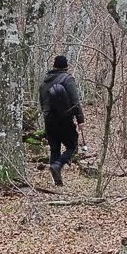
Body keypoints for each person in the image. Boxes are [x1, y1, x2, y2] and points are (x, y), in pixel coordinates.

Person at [38, 54, 84, 186]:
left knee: (54, 148)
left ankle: (56, 181)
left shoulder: (44, 82)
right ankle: (58, 165)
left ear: (53, 66)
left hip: (48, 120)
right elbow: (75, 101)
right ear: (66, 67)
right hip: (64, 119)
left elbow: (42, 103)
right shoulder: (67, 79)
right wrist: (80, 120)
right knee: (72, 145)